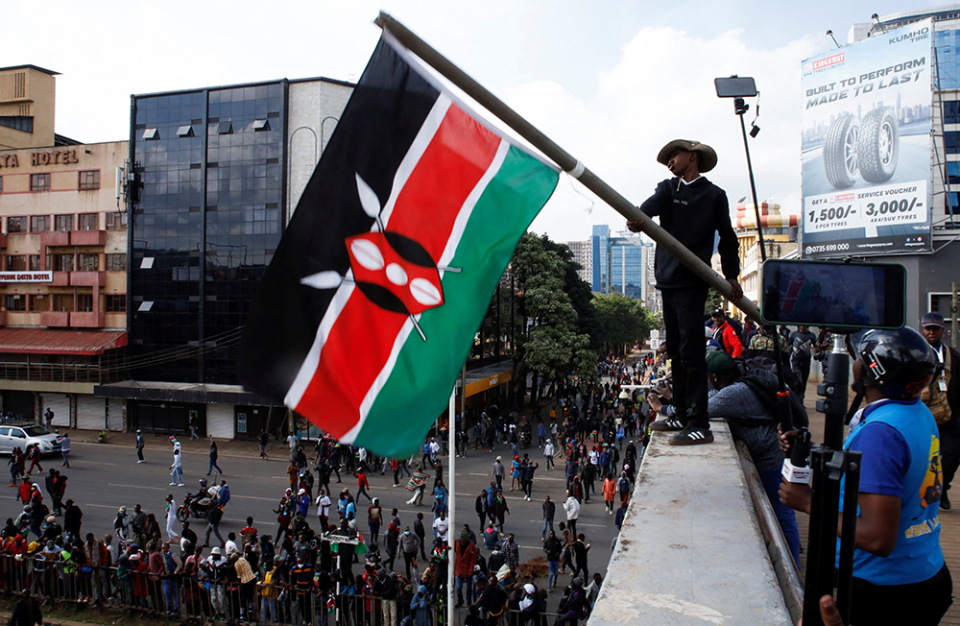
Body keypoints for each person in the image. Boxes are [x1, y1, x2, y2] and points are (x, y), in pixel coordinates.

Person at [780, 327, 952, 625]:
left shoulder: (880, 433)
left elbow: (877, 538)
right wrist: (816, 452)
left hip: (884, 593)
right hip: (922, 572)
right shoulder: (915, 412)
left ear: (873, 372)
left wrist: (809, 502)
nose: (854, 361)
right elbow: (890, 467)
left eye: (859, 356)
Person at [627, 139, 741, 446]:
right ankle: (679, 411)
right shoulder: (668, 189)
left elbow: (727, 237)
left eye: (674, 155)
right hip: (667, 279)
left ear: (692, 156)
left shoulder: (714, 195)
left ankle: (699, 422)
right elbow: (646, 210)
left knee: (692, 352)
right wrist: (637, 219)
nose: (669, 161)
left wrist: (732, 275)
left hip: (692, 280)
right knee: (676, 349)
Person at [919, 311, 960, 511]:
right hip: (922, 414)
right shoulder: (915, 353)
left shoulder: (954, 356)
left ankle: (942, 488)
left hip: (950, 414)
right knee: (921, 456)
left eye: (935, 329)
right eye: (928, 329)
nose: (931, 332)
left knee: (953, 454)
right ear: (922, 330)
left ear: (942, 331)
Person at [788, 325, 817, 399]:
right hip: (796, 362)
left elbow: (816, 347)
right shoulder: (793, 334)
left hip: (806, 362)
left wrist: (817, 350)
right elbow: (789, 347)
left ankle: (801, 398)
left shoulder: (811, 336)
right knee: (798, 381)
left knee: (804, 382)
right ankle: (797, 397)